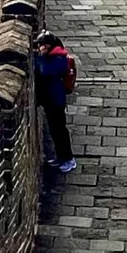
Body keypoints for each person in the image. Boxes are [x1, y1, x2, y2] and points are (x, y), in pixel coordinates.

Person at [32, 29, 77, 173]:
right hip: (50, 100)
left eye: (43, 45)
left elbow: (45, 71)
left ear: (50, 45)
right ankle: (60, 157)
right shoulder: (51, 57)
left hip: (56, 101)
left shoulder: (58, 58)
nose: (41, 48)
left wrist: (38, 59)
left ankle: (68, 159)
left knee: (60, 131)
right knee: (54, 131)